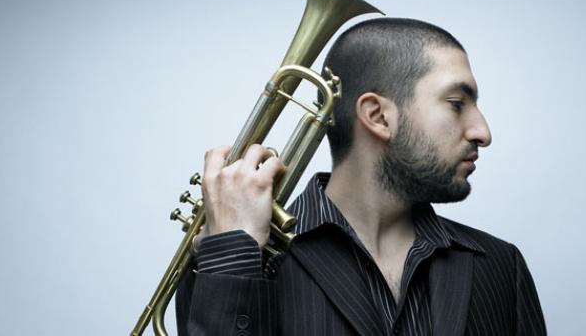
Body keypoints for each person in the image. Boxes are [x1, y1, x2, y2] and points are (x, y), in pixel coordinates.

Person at [176, 18, 546, 336]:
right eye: (457, 104)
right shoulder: (228, 262)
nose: (483, 131)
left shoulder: (501, 265)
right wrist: (231, 256)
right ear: (378, 115)